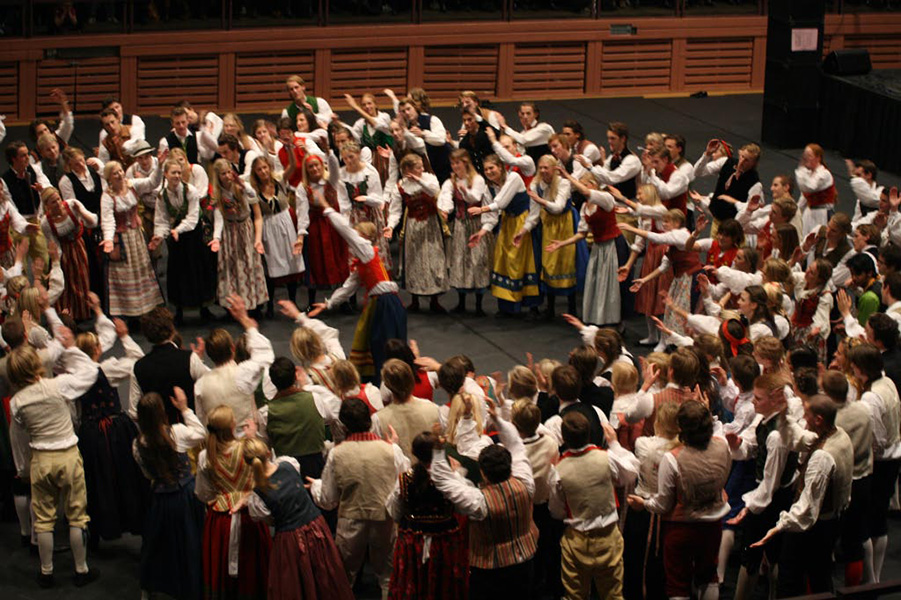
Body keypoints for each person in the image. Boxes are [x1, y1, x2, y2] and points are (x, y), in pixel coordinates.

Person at [8, 338, 101, 588]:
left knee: (43, 519)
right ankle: (81, 569)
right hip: (68, 455)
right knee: (77, 516)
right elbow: (91, 372)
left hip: (40, 459)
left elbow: (19, 437)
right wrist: (71, 349)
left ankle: (46, 572)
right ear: (36, 365)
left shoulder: (17, 402)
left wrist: (22, 468)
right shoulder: (58, 386)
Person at [430, 397, 539, 600]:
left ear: (483, 473)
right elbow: (516, 444)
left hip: (490, 571)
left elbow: (442, 481)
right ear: (510, 466)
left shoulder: (479, 503)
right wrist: (497, 420)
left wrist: (437, 451)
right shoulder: (525, 483)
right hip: (525, 561)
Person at [627, 401, 731, 600]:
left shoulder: (673, 458)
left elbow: (663, 504)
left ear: (681, 428)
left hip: (682, 526)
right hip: (713, 523)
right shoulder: (722, 444)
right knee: (709, 576)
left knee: (678, 584)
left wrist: (644, 504)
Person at [751, 395, 853, 597]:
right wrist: (783, 416)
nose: (803, 419)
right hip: (830, 521)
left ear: (819, 419)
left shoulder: (823, 456)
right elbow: (801, 439)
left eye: (807, 415)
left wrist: (779, 527)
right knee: (820, 576)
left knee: (791, 579)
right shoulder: (838, 434)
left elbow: (806, 508)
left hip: (814, 528)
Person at [309, 398, 411, 598]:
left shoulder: (337, 454)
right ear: (369, 420)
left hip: (351, 521)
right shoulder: (391, 450)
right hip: (384, 518)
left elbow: (328, 500)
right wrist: (394, 448)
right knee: (388, 577)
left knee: (344, 577)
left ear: (344, 426)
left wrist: (316, 485)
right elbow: (404, 481)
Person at [306, 196, 406, 384]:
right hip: (380, 303)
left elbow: (345, 231)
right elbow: (348, 287)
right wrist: (328, 304)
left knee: (387, 343)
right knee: (376, 343)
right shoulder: (363, 262)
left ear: (365, 238)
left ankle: (393, 380)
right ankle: (381, 380)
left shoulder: (367, 250)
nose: (353, 239)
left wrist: (327, 207)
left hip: (386, 303)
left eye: (357, 235)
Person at [240, 436, 354, 600]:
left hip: (289, 539)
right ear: (268, 453)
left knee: (295, 583)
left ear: (247, 464)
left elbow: (269, 520)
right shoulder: (289, 465)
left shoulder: (257, 496)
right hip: (316, 527)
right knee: (325, 574)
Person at [549, 411, 638, 600]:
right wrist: (614, 444)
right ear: (589, 433)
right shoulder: (606, 457)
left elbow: (556, 511)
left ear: (564, 438)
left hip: (577, 541)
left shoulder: (558, 471)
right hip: (608, 536)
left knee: (574, 596)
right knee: (613, 595)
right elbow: (631, 472)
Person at [725, 372, 799, 600]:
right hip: (768, 496)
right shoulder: (765, 420)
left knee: (757, 554)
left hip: (773, 501)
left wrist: (749, 508)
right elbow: (750, 449)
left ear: (776, 398)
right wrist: (736, 445)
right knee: (765, 554)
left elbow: (770, 484)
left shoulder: (778, 435)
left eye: (758, 398)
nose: (754, 403)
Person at [133, 389, 206, 600]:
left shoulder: (138, 444)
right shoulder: (177, 433)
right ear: (162, 412)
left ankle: (150, 587)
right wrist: (184, 409)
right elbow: (200, 433)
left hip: (160, 499)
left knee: (157, 544)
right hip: (186, 496)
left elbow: (147, 474)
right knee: (190, 542)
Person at [195, 405, 272, 599]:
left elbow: (203, 494)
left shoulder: (205, 456)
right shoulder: (247, 448)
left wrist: (223, 495)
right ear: (232, 425)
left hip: (221, 521)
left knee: (221, 566)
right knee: (253, 566)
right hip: (249, 515)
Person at [386, 430, 468, 600]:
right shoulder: (451, 479)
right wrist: (457, 474)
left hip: (413, 542)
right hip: (444, 541)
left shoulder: (404, 480)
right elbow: (462, 509)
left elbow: (395, 512)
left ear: (414, 453)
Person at [847, 344, 901, 583]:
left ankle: (872, 580)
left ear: (861, 369)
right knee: (878, 522)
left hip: (880, 462)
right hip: (893, 457)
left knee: (867, 524)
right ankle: (874, 578)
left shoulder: (871, 397)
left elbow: (877, 439)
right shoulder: (887, 381)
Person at [469, 154, 540, 317]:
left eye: (492, 168)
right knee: (503, 262)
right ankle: (507, 307)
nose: (489, 172)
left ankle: (531, 306)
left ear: (501, 167)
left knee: (525, 263)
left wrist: (481, 209)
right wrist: (481, 233)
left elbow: (501, 202)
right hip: (507, 223)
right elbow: (491, 217)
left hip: (523, 222)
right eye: (486, 169)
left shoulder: (513, 177)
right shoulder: (489, 188)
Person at [549, 169, 621, 326]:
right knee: (596, 282)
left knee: (608, 285)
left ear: (593, 184)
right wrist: (562, 243)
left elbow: (587, 192)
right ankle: (597, 320)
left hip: (612, 245)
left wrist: (568, 177)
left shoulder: (606, 199)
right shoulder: (585, 207)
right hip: (598, 247)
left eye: (583, 185)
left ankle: (612, 321)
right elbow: (582, 233)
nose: (581, 190)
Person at [193, 294, 275, 431]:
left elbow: (202, 420)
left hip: (218, 440)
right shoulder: (243, 373)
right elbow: (265, 354)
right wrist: (245, 320)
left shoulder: (200, 385)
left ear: (210, 355)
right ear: (233, 348)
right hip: (246, 439)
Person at [148, 158, 215, 324]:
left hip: (193, 235)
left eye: (179, 172)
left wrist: (177, 230)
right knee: (178, 272)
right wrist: (159, 236)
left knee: (197, 269)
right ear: (165, 174)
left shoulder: (190, 190)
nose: (177, 176)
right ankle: (179, 309)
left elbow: (192, 218)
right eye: (173, 173)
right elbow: (161, 220)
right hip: (177, 237)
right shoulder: (162, 195)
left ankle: (204, 308)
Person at [385, 152, 449, 313]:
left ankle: (434, 299)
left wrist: (419, 180)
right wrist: (391, 226)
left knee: (434, 259)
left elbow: (435, 191)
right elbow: (395, 210)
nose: (422, 169)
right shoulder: (400, 186)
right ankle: (415, 299)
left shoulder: (429, 179)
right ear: (408, 169)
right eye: (418, 167)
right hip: (413, 225)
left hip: (431, 224)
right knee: (414, 261)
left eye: (421, 166)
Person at [100, 160, 164, 318]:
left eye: (120, 171)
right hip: (122, 240)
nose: (119, 175)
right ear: (109, 178)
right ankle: (128, 312)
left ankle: (145, 309)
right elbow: (108, 221)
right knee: (125, 275)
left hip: (136, 236)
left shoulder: (132, 185)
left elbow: (152, 182)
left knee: (142, 271)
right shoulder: (107, 196)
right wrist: (108, 240)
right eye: (115, 173)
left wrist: (160, 166)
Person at [260, 356, 338, 479]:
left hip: (285, 474)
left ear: (273, 382)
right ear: (295, 376)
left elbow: (264, 447)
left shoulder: (265, 413)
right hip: (316, 470)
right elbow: (330, 419)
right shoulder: (314, 398)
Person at [208, 158, 269, 313]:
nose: (227, 176)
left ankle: (253, 301)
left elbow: (252, 194)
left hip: (244, 229)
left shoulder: (240, 186)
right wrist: (216, 238)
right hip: (229, 231)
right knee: (231, 268)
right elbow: (219, 218)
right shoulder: (218, 194)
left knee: (248, 263)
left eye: (229, 172)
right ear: (218, 176)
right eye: (223, 174)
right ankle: (233, 305)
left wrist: (242, 185)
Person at [130, 306, 209, 425]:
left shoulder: (138, 367)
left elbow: (134, 412)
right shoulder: (190, 358)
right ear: (172, 330)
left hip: (158, 432)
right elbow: (207, 390)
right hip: (191, 429)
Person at [249, 154, 305, 318]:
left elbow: (292, 166)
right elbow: (257, 215)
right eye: (259, 169)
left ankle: (293, 301)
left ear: (270, 167)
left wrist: (289, 149)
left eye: (265, 167)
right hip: (269, 226)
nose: (263, 171)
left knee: (292, 261)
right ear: (255, 172)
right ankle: (270, 305)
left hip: (286, 223)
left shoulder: (279, 181)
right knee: (271, 265)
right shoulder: (254, 191)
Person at [439, 148, 492, 315]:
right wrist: (445, 209)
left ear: (465, 163)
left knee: (477, 260)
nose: (455, 166)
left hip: (476, 224)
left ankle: (479, 305)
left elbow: (475, 197)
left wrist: (464, 190)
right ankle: (461, 302)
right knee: (460, 260)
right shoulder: (451, 181)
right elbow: (445, 196)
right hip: (461, 224)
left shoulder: (477, 179)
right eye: (453, 163)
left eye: (458, 163)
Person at [39, 186, 96, 321]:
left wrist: (81, 211)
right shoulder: (46, 222)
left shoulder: (72, 205)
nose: (58, 203)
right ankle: (70, 314)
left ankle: (85, 311)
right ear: (47, 205)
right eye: (53, 202)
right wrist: (57, 262)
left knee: (83, 279)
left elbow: (92, 222)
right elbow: (54, 244)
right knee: (68, 283)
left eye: (58, 199)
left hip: (80, 245)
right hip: (64, 251)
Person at [373, 359, 442, 459]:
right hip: (429, 467)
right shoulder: (434, 409)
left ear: (387, 385)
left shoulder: (378, 419)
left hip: (397, 468)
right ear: (412, 379)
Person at [796, 143, 836, 238]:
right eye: (805, 156)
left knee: (819, 239)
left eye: (809, 156)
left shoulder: (824, 174)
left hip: (822, 214)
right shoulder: (808, 174)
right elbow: (803, 198)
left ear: (818, 158)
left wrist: (801, 169)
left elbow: (810, 187)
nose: (806, 159)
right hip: (809, 213)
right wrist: (796, 213)